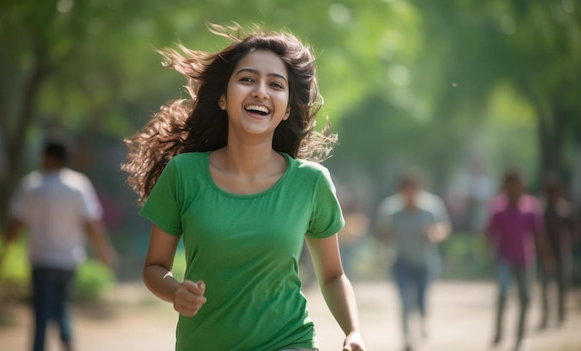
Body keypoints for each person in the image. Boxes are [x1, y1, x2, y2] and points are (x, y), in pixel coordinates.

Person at [122, 23, 366, 351]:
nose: (261, 92)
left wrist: (353, 331)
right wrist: (175, 292)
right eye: (247, 79)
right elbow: (154, 267)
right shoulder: (184, 174)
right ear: (223, 98)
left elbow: (333, 275)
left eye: (275, 84)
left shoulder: (310, 182)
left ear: (287, 108)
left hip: (288, 342)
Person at [0, 140, 117, 351]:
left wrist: (0, 255)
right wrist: (104, 252)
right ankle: (68, 345)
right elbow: (92, 224)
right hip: (68, 261)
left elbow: (15, 225)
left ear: (49, 157)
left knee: (41, 312)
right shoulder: (78, 184)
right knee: (62, 308)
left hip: (41, 260)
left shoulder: (32, 185)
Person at [375, 172, 451, 351]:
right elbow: (383, 234)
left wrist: (434, 234)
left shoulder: (431, 207)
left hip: (425, 262)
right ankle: (408, 339)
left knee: (421, 299)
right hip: (401, 262)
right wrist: (382, 249)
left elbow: (444, 227)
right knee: (404, 300)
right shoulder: (390, 210)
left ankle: (423, 318)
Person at [485, 169, 552, 351]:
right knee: (503, 294)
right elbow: (490, 234)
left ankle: (520, 337)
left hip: (525, 258)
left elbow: (538, 235)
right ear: (505, 187)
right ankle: (499, 332)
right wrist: (488, 256)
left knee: (525, 298)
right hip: (504, 258)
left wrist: (546, 256)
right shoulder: (497, 208)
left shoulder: (530, 207)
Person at [539, 173, 577, 329]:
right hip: (545, 253)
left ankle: (561, 314)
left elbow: (575, 228)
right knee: (545, 286)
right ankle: (546, 316)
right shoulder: (542, 210)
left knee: (562, 285)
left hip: (562, 252)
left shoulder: (565, 209)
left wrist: (569, 244)